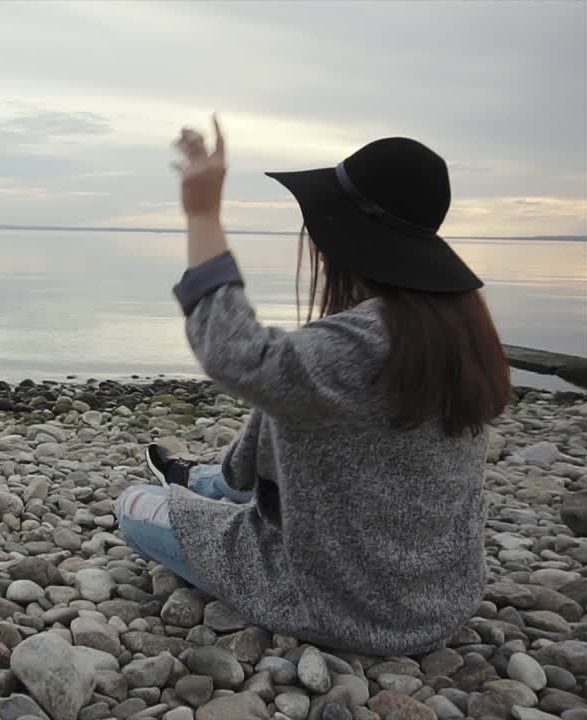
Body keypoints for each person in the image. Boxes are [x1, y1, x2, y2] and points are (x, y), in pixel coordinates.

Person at [115, 117, 511, 656]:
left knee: (133, 504)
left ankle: (202, 486)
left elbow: (233, 351)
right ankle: (207, 480)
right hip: (442, 602)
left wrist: (202, 213)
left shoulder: (353, 344)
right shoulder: (463, 330)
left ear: (341, 236)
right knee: (290, 401)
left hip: (336, 603)